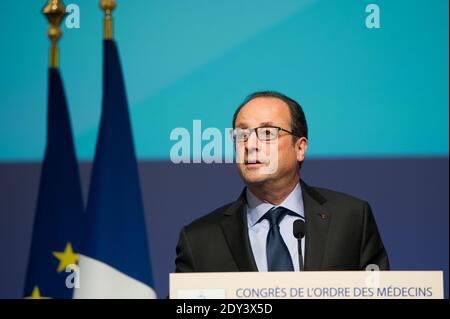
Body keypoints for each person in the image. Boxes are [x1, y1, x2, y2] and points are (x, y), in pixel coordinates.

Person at [175, 91, 389, 273]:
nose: (250, 145)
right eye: (241, 135)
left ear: (300, 147)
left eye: (267, 133)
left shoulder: (351, 219)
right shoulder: (199, 239)